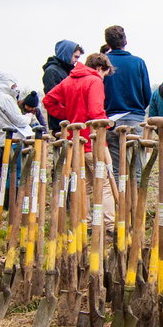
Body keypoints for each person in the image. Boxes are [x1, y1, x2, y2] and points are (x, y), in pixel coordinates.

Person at [43, 53, 117, 231]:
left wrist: (68, 116)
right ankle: (109, 225)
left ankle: (88, 224)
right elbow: (95, 112)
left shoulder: (69, 80)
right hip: (93, 141)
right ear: (99, 68)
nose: (103, 78)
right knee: (105, 182)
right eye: (104, 74)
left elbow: (48, 100)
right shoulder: (94, 81)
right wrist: (107, 123)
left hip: (75, 142)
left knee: (86, 184)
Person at [102, 25, 150, 177]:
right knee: (136, 169)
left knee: (116, 169)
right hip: (135, 118)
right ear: (125, 41)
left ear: (107, 44)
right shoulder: (138, 63)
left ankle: (119, 200)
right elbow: (146, 94)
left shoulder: (104, 64)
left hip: (111, 119)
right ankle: (135, 200)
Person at [42, 40, 83, 133]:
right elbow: (53, 99)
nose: (76, 60)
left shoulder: (67, 71)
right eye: (75, 57)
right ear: (67, 54)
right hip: (60, 122)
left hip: (69, 119)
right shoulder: (52, 72)